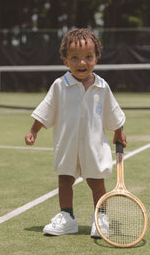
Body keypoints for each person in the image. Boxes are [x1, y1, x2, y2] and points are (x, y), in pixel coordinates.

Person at [25, 28, 127, 238]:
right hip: (68, 146)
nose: (82, 63)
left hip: (93, 147)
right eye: (75, 58)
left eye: (88, 57)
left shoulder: (102, 87)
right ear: (65, 61)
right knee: (64, 180)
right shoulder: (59, 86)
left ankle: (100, 218)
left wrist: (119, 131)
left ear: (96, 58)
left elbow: (113, 112)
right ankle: (67, 217)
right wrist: (34, 131)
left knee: (96, 183)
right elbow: (46, 110)